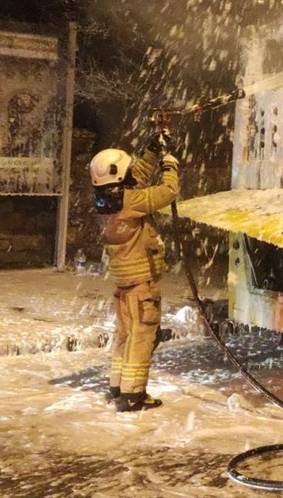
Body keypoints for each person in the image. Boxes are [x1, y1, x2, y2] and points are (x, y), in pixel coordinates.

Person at [90, 137, 178, 412]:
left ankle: (117, 386)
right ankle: (133, 395)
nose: (131, 175)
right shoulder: (131, 202)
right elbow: (168, 191)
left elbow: (134, 178)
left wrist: (151, 152)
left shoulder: (109, 201)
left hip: (123, 283)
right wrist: (169, 164)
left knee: (126, 335)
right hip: (142, 284)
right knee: (142, 336)